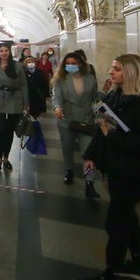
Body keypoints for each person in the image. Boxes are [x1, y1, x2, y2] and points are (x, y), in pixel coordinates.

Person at [74, 54, 140, 280]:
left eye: (116, 68)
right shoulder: (117, 96)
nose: (110, 72)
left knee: (116, 221)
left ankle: (109, 278)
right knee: (128, 215)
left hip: (133, 171)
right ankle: (138, 265)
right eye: (112, 67)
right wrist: (91, 154)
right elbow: (102, 126)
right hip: (117, 166)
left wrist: (111, 135)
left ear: (131, 72)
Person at [52, 52, 101, 196]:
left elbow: (95, 97)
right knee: (67, 147)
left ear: (80, 64)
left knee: (88, 152)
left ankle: (89, 182)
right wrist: (57, 108)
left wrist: (105, 91)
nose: (70, 66)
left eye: (73, 63)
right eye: (68, 63)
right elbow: (57, 97)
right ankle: (69, 170)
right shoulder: (61, 79)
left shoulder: (90, 78)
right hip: (67, 119)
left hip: (86, 119)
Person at [0, 43, 28, 172]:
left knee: (9, 130)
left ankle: (6, 158)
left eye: (6, 51)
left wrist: (26, 104)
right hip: (1, 98)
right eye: (1, 51)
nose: (4, 53)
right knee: (2, 128)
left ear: (9, 52)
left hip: (16, 100)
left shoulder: (18, 66)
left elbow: (23, 86)